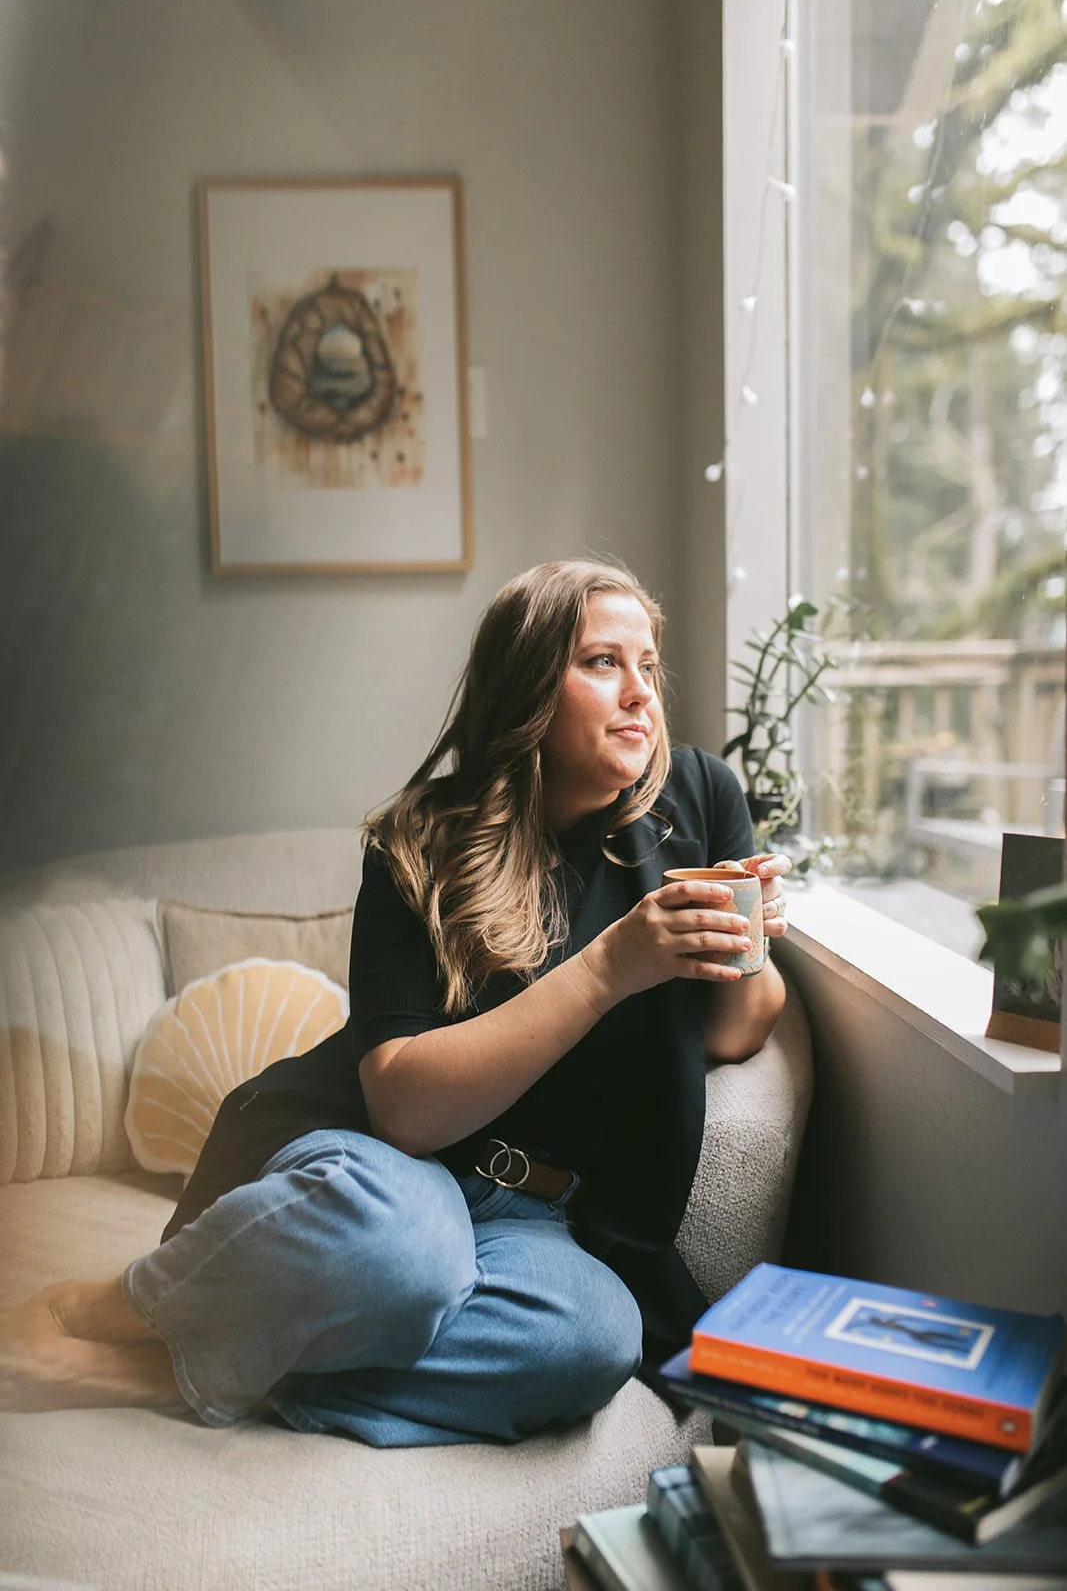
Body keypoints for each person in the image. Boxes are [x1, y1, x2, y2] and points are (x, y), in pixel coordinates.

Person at [0, 559, 790, 1446]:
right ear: (529, 685)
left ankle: (161, 1372)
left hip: (537, 1217)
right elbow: (405, 1111)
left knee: (586, 1338)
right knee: (401, 1252)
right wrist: (614, 965)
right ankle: (115, 1304)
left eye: (648, 665)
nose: (640, 693)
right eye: (602, 662)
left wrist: (744, 943)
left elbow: (735, 1028)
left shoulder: (697, 797)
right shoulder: (420, 838)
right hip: (387, 1164)